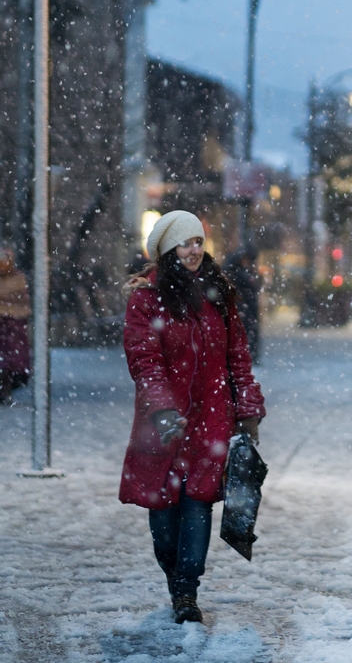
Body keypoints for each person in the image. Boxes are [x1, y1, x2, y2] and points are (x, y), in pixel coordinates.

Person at [119, 211, 265, 624]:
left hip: (212, 417)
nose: (194, 250)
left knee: (198, 501)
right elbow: (145, 362)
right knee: (163, 512)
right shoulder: (146, 299)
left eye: (199, 241)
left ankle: (187, 591)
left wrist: (248, 407)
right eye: (185, 243)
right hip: (162, 421)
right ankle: (175, 576)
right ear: (168, 249)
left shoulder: (219, 294)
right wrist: (164, 409)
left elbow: (238, 356)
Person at [0, 245, 31, 404]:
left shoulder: (17, 279)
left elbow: (20, 301)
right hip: (11, 326)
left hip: (13, 325)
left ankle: (6, 388)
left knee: (11, 361)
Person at [222, 243, 263, 363]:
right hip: (242, 305)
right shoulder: (237, 270)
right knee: (244, 330)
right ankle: (247, 354)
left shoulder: (238, 268)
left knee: (247, 329)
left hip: (245, 305)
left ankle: (249, 354)